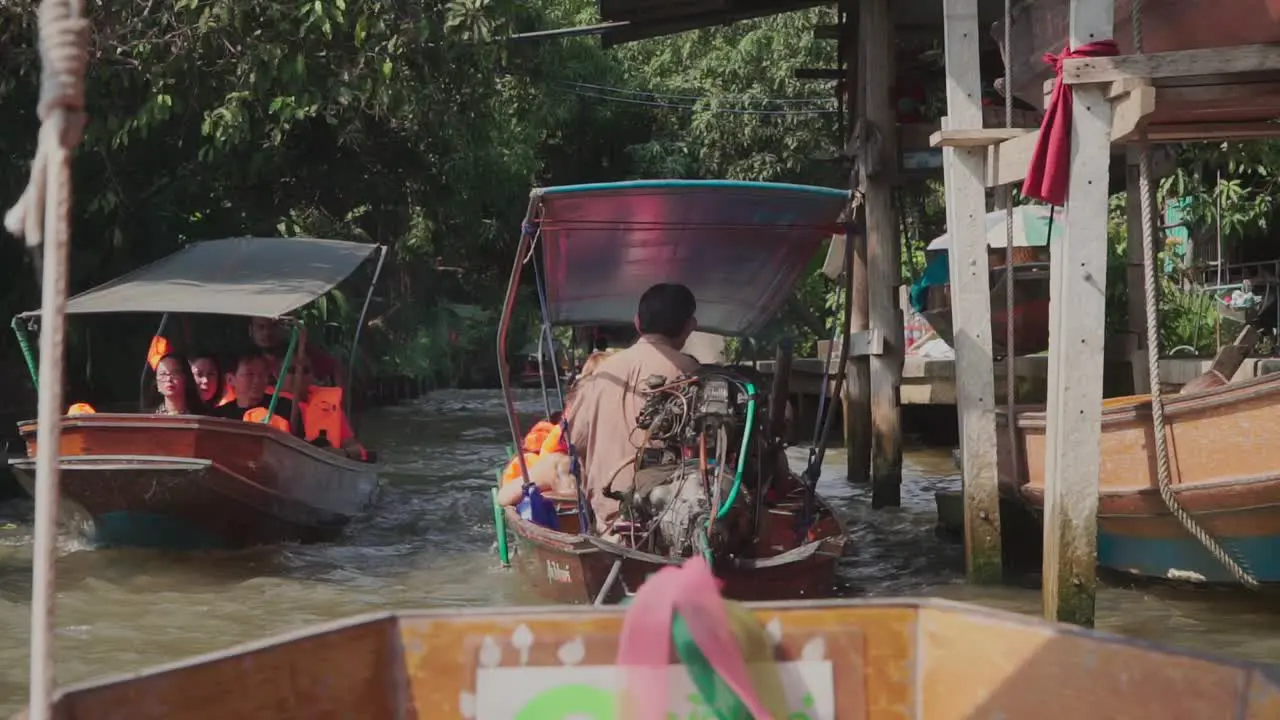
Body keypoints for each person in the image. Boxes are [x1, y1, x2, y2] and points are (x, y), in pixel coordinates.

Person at [567, 284, 701, 535]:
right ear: (689, 326)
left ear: (638, 323)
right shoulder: (692, 374)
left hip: (608, 522)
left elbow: (575, 442)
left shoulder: (599, 375)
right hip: (670, 523)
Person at [272, 357, 367, 460]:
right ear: (278, 374)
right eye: (291, 370)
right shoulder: (267, 405)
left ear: (312, 375)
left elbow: (353, 446)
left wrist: (343, 453)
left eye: (306, 371)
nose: (299, 376)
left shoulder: (330, 407)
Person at [210, 350, 305, 438]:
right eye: (249, 374)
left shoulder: (285, 408)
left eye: (262, 374)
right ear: (230, 379)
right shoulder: (219, 416)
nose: (257, 380)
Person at [248, 317, 343, 388]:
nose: (267, 332)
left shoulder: (302, 352)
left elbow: (335, 367)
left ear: (284, 327)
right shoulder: (247, 360)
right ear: (251, 330)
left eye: (274, 326)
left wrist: (341, 404)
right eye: (261, 327)